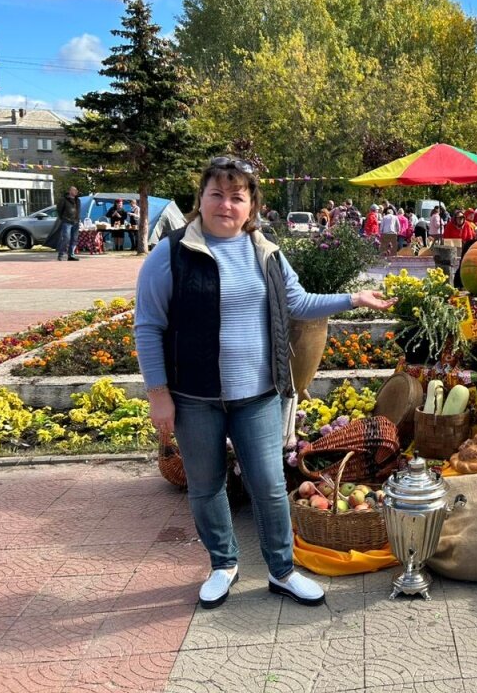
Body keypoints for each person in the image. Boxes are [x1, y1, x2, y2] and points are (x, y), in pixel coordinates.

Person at [134, 156, 395, 610]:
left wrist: (353, 297)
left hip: (257, 396)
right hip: (194, 398)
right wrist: (159, 395)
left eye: (236, 197)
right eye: (217, 194)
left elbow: (297, 302)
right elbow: (147, 326)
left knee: (270, 486)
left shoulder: (265, 251)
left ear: (251, 205)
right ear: (201, 199)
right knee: (206, 486)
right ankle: (223, 564)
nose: (226, 204)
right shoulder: (171, 253)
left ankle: (282, 570)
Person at [55, 186, 81, 261]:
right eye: (74, 190)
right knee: (66, 238)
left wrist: (78, 219)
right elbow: (59, 210)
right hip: (67, 221)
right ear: (70, 191)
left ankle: (71, 255)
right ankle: (61, 254)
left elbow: (78, 210)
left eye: (76, 190)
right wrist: (63, 218)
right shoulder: (64, 199)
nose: (76, 191)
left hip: (76, 222)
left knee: (74, 239)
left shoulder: (78, 200)